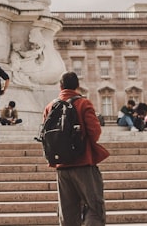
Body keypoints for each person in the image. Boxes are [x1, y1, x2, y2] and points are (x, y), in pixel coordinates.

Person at [43, 71, 109, 226]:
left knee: (67, 214)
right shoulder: (83, 103)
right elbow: (95, 132)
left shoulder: (50, 106)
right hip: (83, 163)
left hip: (61, 166)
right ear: (77, 86)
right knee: (95, 208)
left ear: (60, 86)